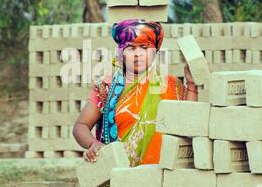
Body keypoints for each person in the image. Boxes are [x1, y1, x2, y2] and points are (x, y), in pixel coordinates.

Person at [73, 19, 198, 167]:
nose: (138, 54)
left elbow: (188, 122)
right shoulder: (105, 88)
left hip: (163, 176)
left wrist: (192, 85)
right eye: (131, 48)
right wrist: (93, 143)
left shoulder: (171, 85)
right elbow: (81, 126)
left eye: (144, 47)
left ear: (154, 51)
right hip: (119, 176)